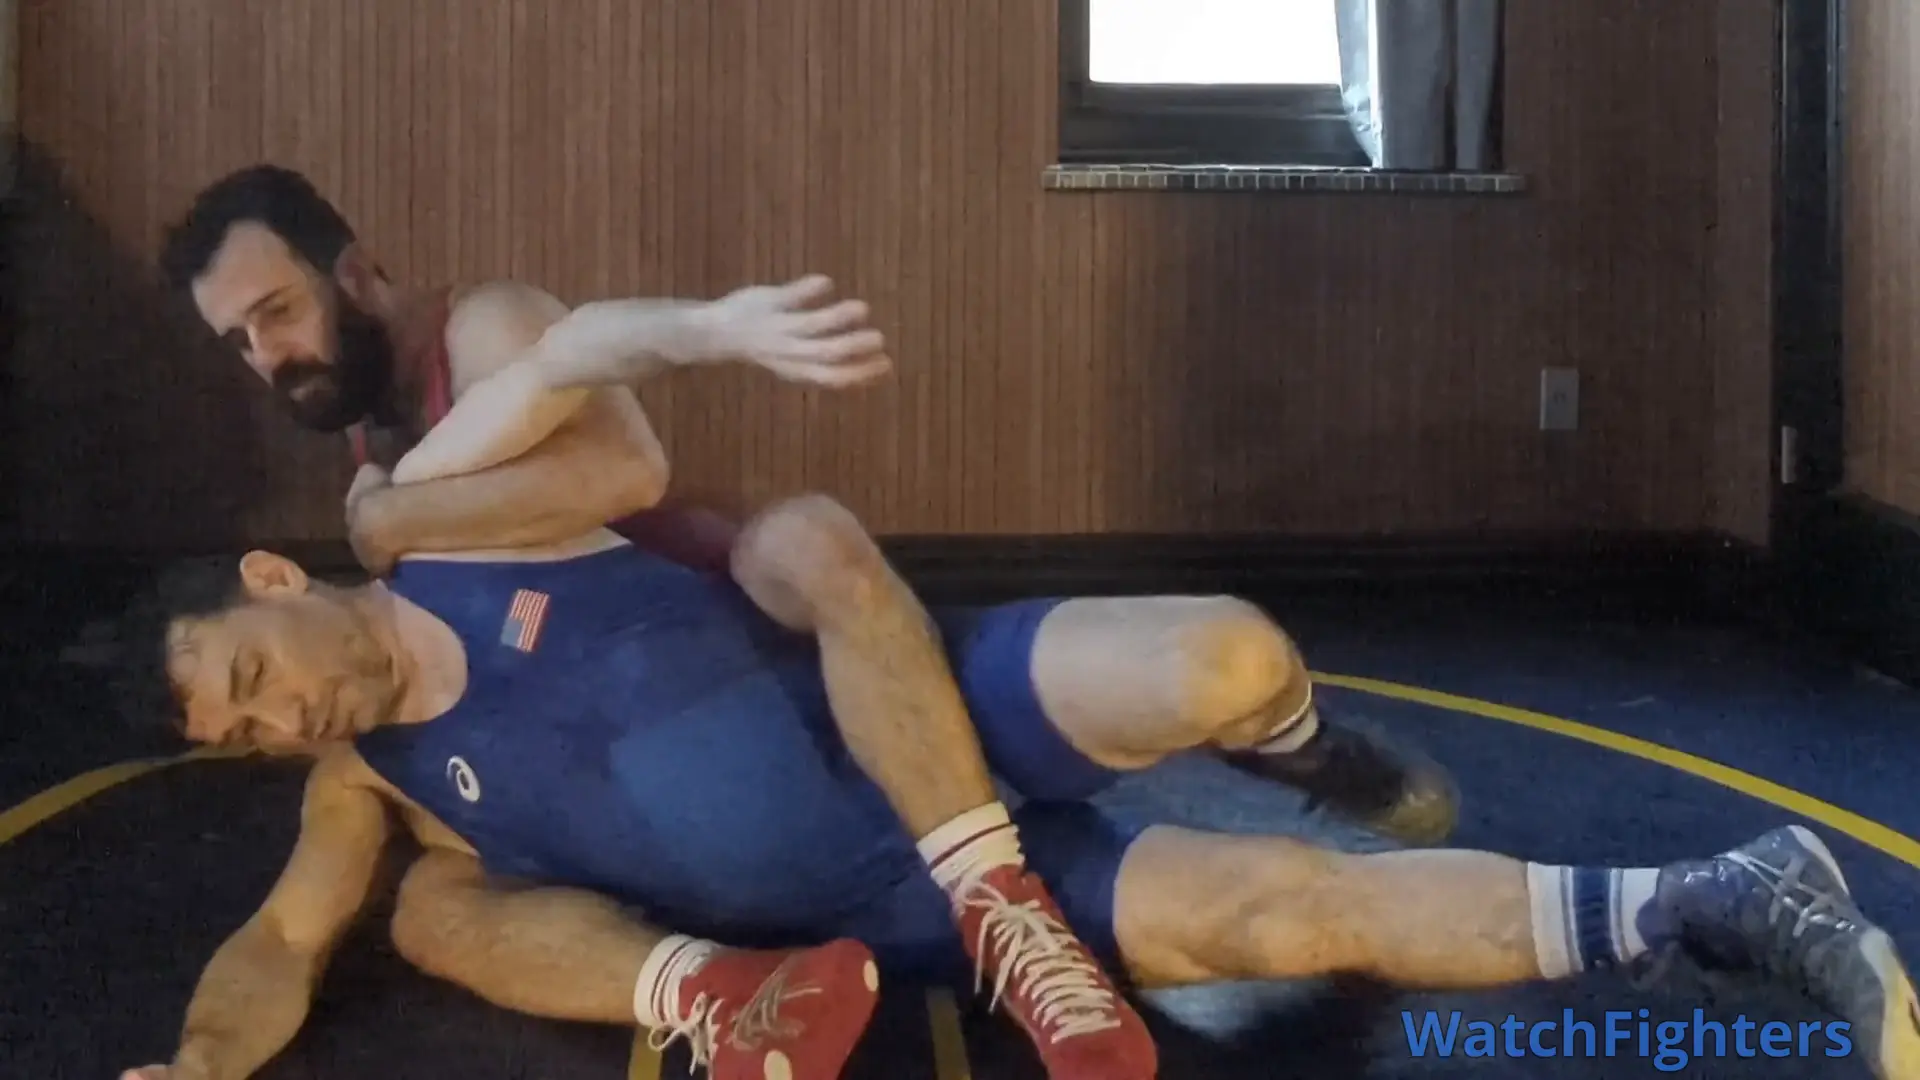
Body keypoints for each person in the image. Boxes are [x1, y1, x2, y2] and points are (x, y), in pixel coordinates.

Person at [149, 165, 1462, 1069]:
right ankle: (723, 980)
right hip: (648, 740)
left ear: (356, 271)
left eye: (278, 314)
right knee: (435, 890)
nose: (271, 358)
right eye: (239, 343)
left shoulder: (474, 343)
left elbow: (624, 472)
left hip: (756, 658)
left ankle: (1299, 747)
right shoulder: (374, 459)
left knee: (1224, 671)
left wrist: (394, 522)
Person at [117, 494, 1919, 1080]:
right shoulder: (372, 786)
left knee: (1225, 657)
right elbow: (276, 946)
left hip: (925, 721)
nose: (281, 720)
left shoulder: (464, 527)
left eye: (252, 680)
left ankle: (1299, 745)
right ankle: (1728, 893)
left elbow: (591, 399)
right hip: (881, 914)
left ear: (273, 579)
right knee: (1287, 913)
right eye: (244, 736)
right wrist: (198, 1065)